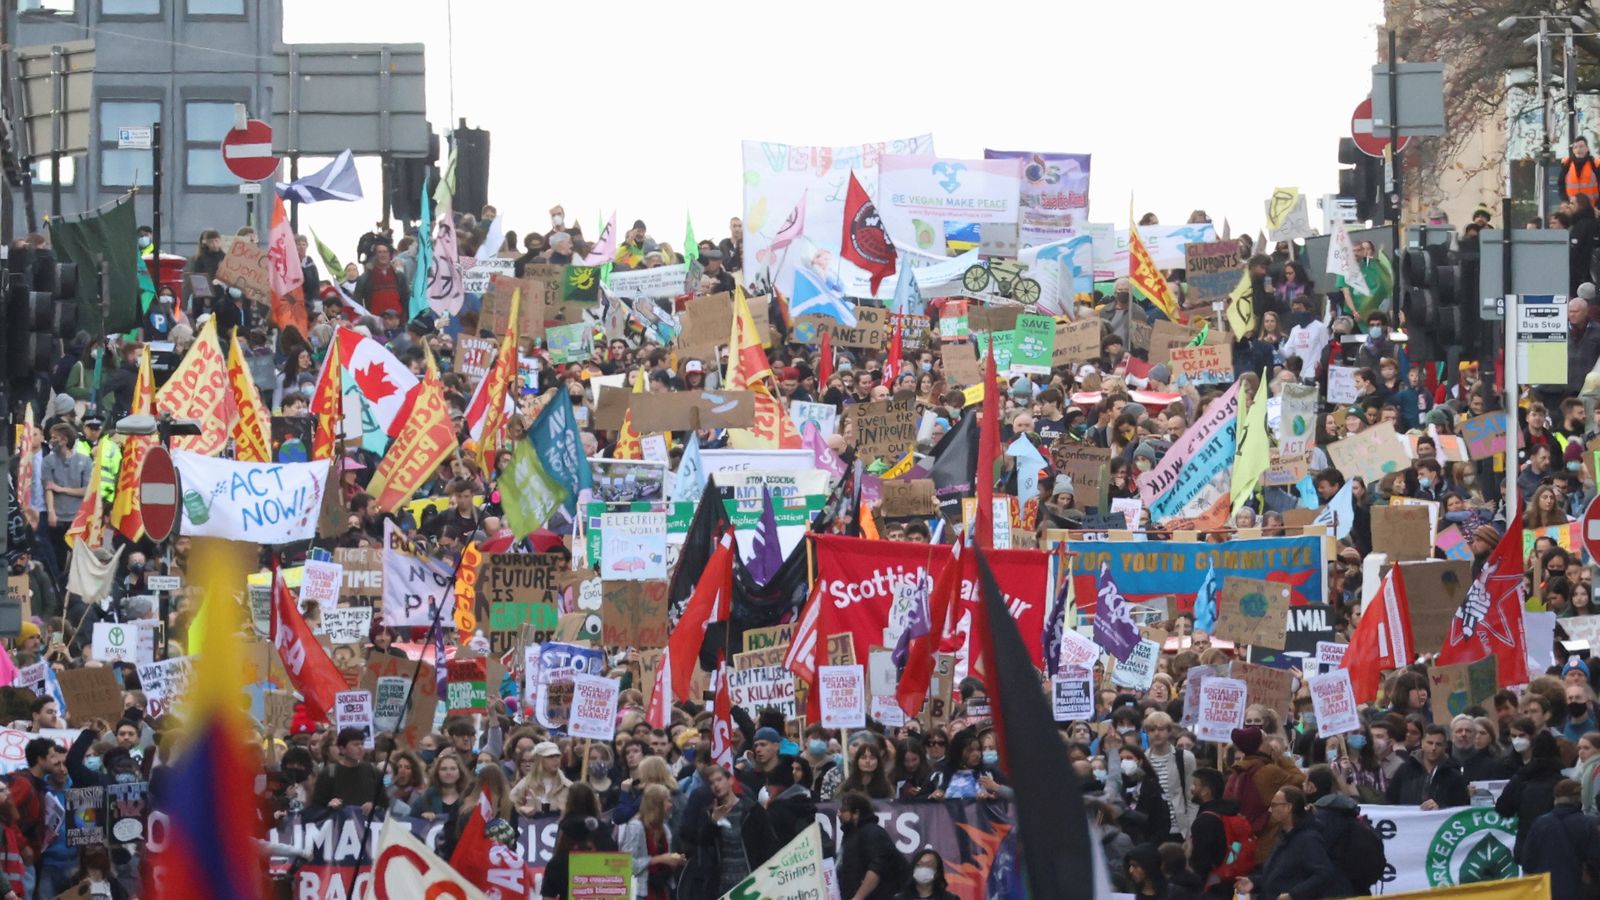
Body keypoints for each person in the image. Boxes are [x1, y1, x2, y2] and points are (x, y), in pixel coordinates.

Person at [1231, 788, 1348, 900]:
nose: (1270, 810)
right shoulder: (1285, 836)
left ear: (1288, 807)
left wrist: (1293, 895)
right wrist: (1254, 882)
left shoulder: (1308, 839)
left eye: (1274, 805)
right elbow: (1279, 876)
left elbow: (1324, 874)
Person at [679, 765, 776, 899]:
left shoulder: (752, 810)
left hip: (751, 882)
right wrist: (713, 821)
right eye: (711, 783)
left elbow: (768, 844)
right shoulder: (708, 813)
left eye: (719, 780)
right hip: (722, 886)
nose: (716, 785)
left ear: (730, 780)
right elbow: (702, 845)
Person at [1519, 778, 1600, 898]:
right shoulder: (1589, 824)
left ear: (1555, 799)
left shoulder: (1540, 823)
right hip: (1579, 891)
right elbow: (1596, 859)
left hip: (1547, 891)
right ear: (1579, 799)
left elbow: (1527, 861)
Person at [1497, 731, 1567, 858]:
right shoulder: (1563, 781)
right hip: (1558, 848)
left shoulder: (1521, 778)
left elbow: (1503, 809)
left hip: (1528, 847)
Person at [619, 783, 685, 900]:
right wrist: (658, 859)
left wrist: (676, 861)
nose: (671, 805)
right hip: (640, 892)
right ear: (657, 804)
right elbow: (626, 864)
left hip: (661, 889)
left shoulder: (665, 829)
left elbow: (666, 859)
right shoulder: (636, 827)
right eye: (668, 801)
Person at [836, 791, 903, 900]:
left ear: (856, 813)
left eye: (843, 810)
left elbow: (876, 870)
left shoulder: (872, 832)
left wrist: (857, 898)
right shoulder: (851, 836)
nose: (839, 814)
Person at [1385, 724, 1468, 808]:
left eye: (1438, 744)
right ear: (1422, 743)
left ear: (1445, 746)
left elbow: (1461, 807)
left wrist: (1441, 807)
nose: (1433, 748)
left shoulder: (1454, 775)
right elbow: (1390, 801)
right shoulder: (1405, 770)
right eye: (1430, 743)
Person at [510, 741, 569, 816]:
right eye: (550, 756)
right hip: (533, 825)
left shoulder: (566, 785)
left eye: (557, 756)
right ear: (539, 759)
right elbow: (512, 800)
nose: (555, 760)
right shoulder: (526, 783)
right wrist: (521, 809)